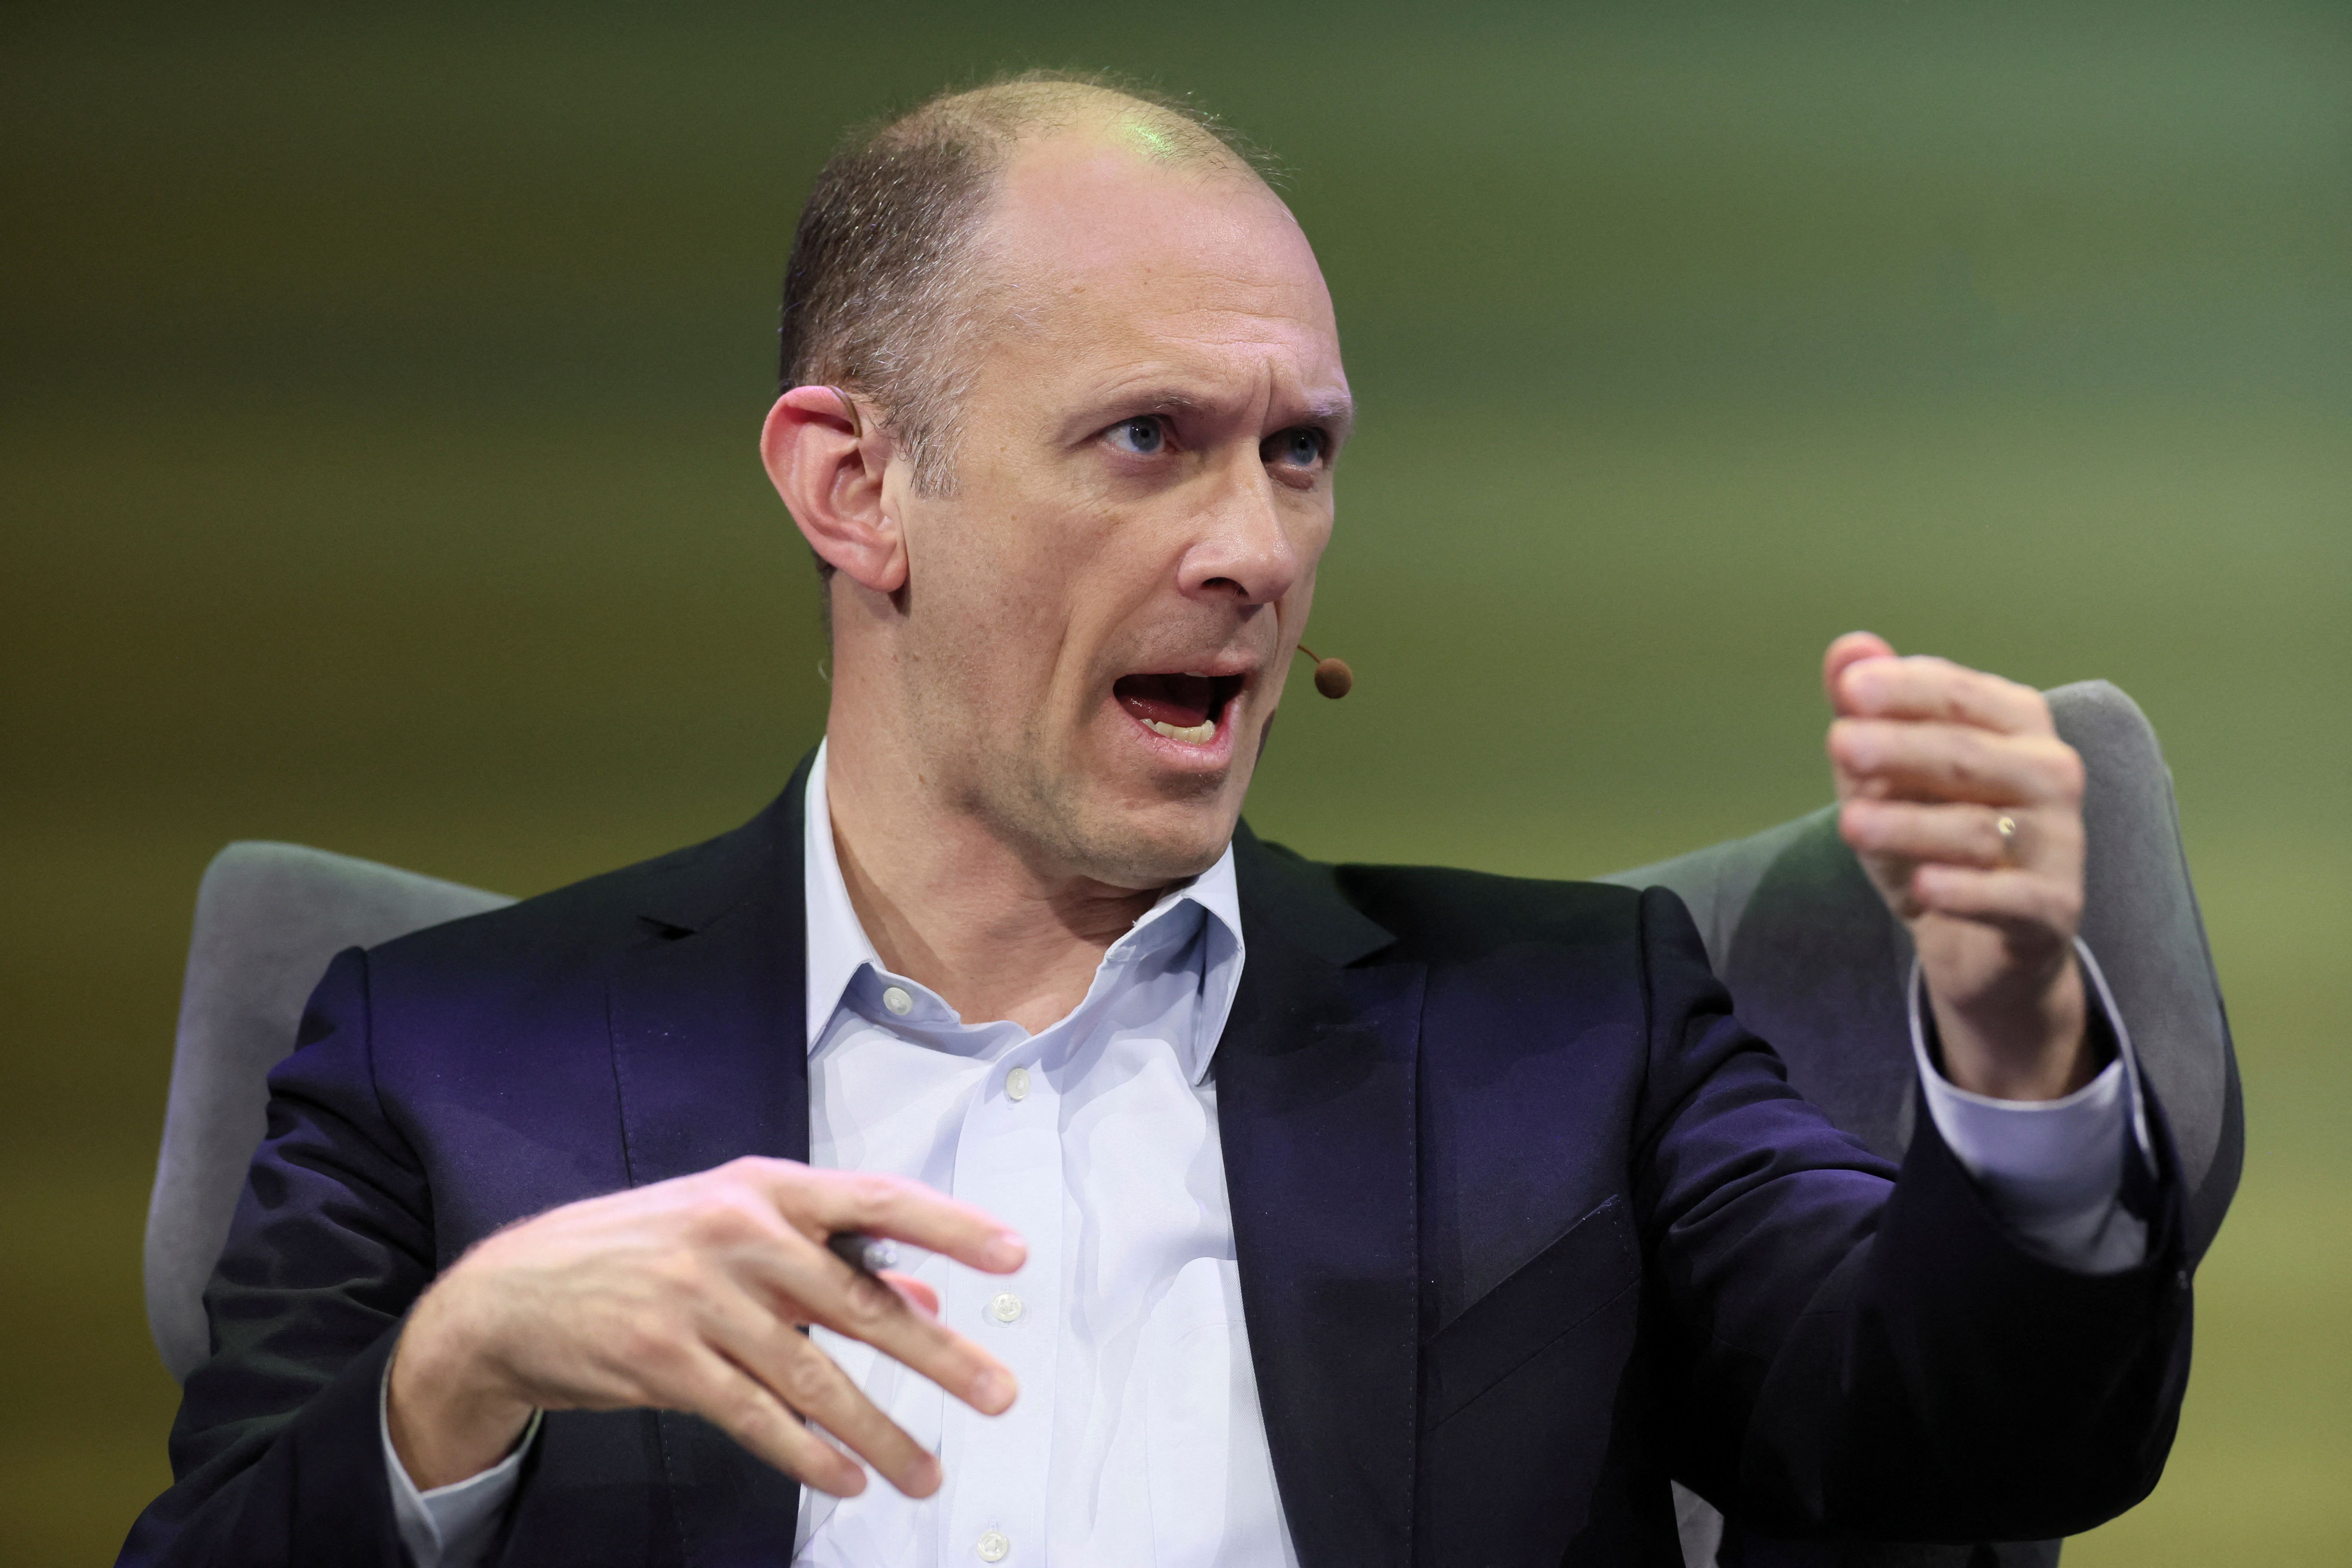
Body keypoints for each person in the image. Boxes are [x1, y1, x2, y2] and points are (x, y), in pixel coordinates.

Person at [121, 73, 2187, 1568]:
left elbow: (1955, 1449)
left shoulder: (1574, 1029)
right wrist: (453, 1381)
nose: (1256, 547)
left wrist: (2017, 1056)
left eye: (1301, 454)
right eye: (1149, 441)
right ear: (855, 488)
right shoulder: (446, 1055)